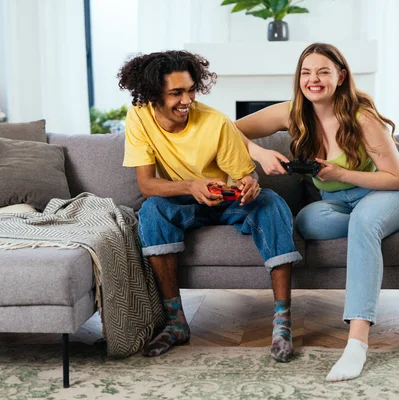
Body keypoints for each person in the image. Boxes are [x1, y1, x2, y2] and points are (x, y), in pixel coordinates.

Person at [235, 43, 399, 381]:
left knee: (364, 220)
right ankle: (377, 229)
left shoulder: (361, 117)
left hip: (383, 193)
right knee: (304, 220)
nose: (313, 79)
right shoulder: (292, 113)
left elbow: (395, 178)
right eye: (306, 72)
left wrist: (341, 174)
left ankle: (357, 344)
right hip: (336, 204)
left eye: (323, 71)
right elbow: (229, 130)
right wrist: (259, 154)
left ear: (341, 76)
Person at [118, 50, 302, 362]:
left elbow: (244, 172)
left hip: (225, 200)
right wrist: (191, 185)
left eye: (190, 90)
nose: (186, 100)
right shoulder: (139, 116)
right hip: (183, 199)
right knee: (151, 210)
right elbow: (147, 184)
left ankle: (282, 323)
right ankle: (176, 323)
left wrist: (250, 182)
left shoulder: (215, 122)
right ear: (153, 94)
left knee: (272, 203)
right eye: (176, 93)